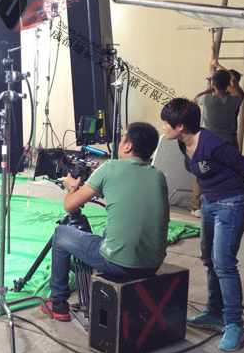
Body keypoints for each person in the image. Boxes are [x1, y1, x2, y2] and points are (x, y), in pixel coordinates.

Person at [41, 123, 169, 322]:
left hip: (118, 263)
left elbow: (69, 205)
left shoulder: (110, 167)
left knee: (61, 234)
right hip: (153, 263)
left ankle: (57, 303)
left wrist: (71, 186)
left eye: (122, 139)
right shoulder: (158, 175)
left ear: (128, 146)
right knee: (111, 229)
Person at [161, 98, 244, 352]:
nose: (164, 127)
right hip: (209, 202)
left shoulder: (213, 143)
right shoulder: (182, 143)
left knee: (224, 263)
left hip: (233, 202)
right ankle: (215, 312)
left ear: (180, 126)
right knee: (208, 258)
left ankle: (234, 324)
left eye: (166, 123)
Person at [189, 42, 244, 217]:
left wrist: (215, 66)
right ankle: (221, 201)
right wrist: (215, 59)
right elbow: (234, 88)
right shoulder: (235, 100)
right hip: (226, 141)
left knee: (202, 171)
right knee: (224, 171)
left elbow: (197, 97)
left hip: (207, 142)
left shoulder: (207, 100)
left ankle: (197, 206)